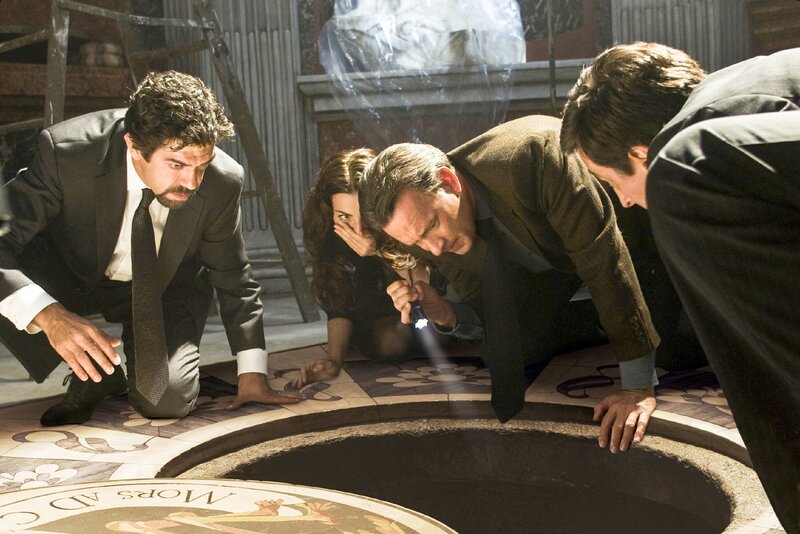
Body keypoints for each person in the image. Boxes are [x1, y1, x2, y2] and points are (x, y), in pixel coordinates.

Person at [560, 42, 800, 533]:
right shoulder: (758, 86)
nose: (626, 203)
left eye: (612, 183)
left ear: (639, 154)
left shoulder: (688, 162)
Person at [0, 70, 301, 427]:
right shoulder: (67, 153)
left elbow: (233, 276)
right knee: (11, 290)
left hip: (166, 287)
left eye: (202, 165)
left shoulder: (222, 180)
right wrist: (49, 316)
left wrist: (252, 373)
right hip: (73, 276)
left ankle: (125, 370)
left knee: (165, 400)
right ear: (133, 146)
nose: (191, 182)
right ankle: (95, 374)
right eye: (176, 165)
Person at [359, 115, 664, 455]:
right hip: (559, 273)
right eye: (418, 242)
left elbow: (604, 261)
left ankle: (621, 325)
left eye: (432, 226)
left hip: (644, 242)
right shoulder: (429, 234)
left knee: (673, 350)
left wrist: (637, 387)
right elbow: (487, 307)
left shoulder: (534, 157)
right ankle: (599, 322)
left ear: (448, 181)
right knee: (514, 349)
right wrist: (445, 312)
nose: (435, 248)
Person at [293, 148, 438, 388]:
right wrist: (334, 361)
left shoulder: (398, 215)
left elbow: (426, 283)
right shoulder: (326, 231)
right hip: (368, 311)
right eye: (344, 216)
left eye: (364, 215)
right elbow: (336, 298)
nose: (359, 229)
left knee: (421, 333)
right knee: (389, 342)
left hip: (422, 303)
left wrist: (379, 251)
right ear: (329, 211)